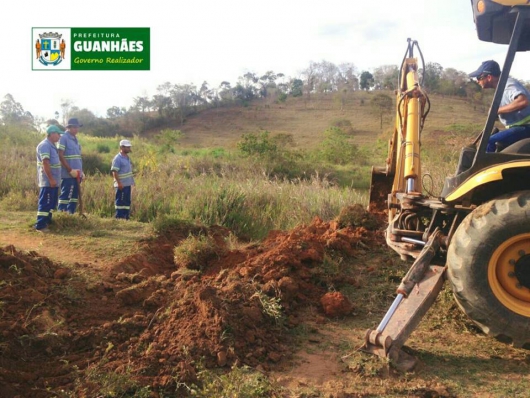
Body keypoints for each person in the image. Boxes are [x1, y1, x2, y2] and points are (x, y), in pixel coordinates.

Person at [469, 60, 530, 152]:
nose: (477, 81)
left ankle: (485, 165)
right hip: (521, 127)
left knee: (489, 142)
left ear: (489, 77)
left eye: (479, 77)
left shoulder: (507, 84)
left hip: (526, 127)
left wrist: (497, 110)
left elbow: (523, 101)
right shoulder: (501, 87)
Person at [35, 125, 64, 232]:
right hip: (48, 181)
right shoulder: (45, 145)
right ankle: (40, 225)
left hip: (54, 181)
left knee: (51, 203)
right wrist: (51, 179)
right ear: (52, 133)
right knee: (45, 203)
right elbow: (45, 163)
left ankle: (47, 222)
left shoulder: (52, 145)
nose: (60, 136)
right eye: (58, 134)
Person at [58, 118, 83, 213]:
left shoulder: (76, 139)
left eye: (77, 127)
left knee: (74, 197)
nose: (76, 129)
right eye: (74, 127)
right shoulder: (64, 138)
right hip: (68, 174)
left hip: (77, 173)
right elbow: (60, 155)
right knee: (66, 195)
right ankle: (62, 215)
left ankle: (71, 215)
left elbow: (78, 157)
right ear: (68, 127)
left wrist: (81, 171)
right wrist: (69, 170)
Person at [111, 140, 135, 219]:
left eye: (129, 147)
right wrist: (119, 183)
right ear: (121, 147)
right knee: (120, 202)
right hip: (121, 185)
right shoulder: (118, 158)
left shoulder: (127, 157)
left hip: (127, 184)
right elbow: (114, 172)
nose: (129, 148)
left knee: (126, 202)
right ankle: (119, 218)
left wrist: (132, 182)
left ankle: (126, 217)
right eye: (127, 147)